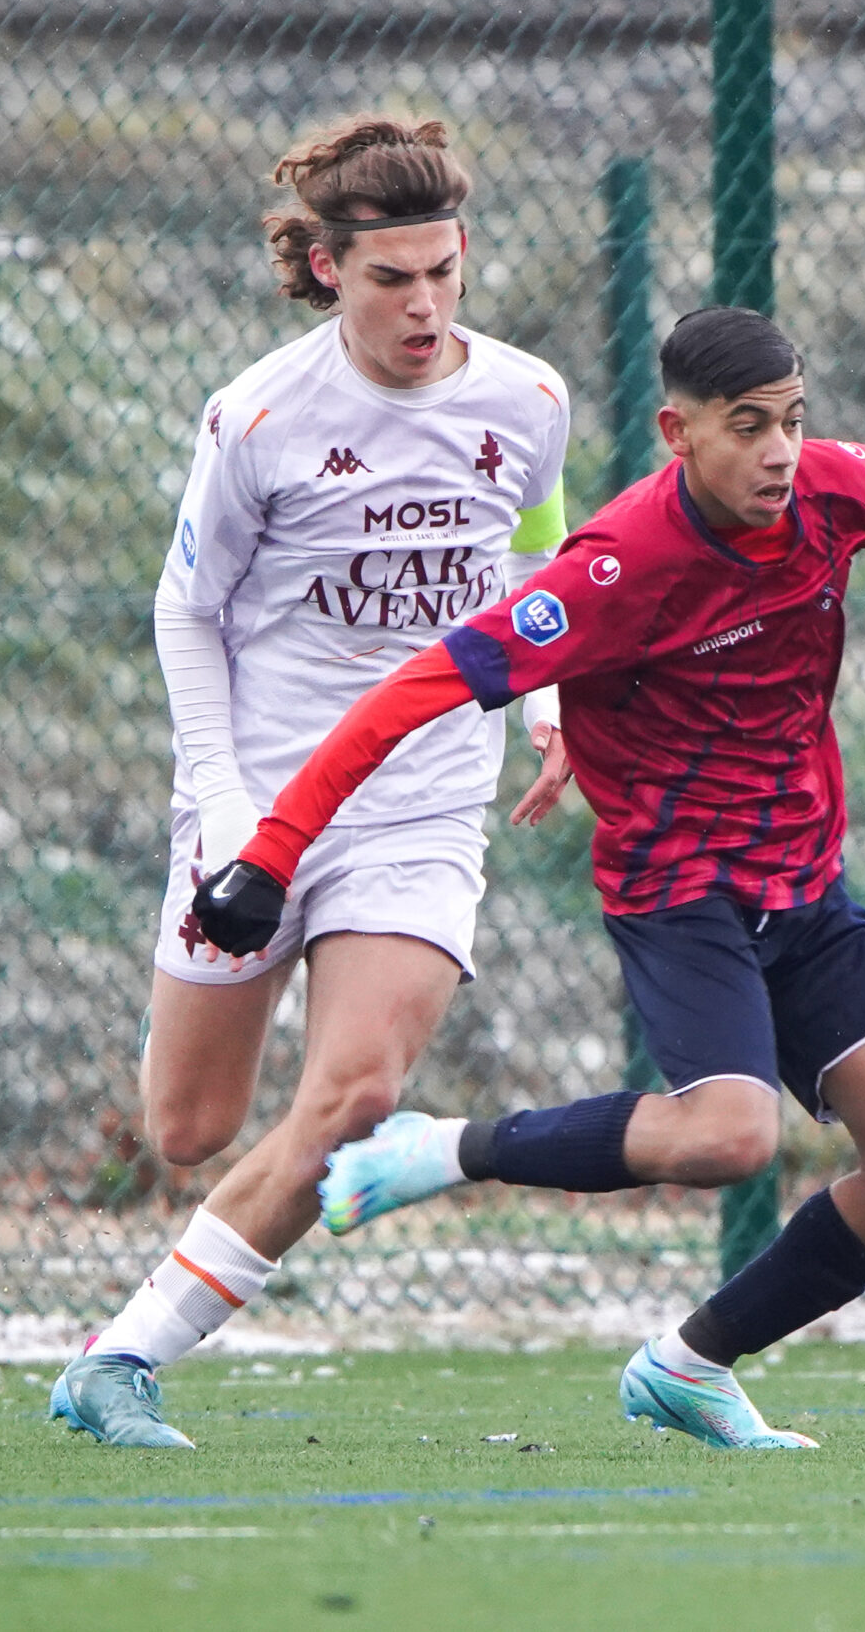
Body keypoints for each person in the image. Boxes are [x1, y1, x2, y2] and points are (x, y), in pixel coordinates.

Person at [190, 306, 865, 1449]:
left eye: (793, 421)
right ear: (678, 433)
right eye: (749, 427)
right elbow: (410, 693)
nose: (781, 452)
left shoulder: (836, 490)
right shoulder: (615, 567)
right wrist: (271, 852)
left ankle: (689, 1366)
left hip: (805, 885)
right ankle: (448, 1148)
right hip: (679, 891)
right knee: (729, 1138)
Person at [50, 115, 578, 1448]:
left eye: (444, 272)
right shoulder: (260, 416)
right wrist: (230, 810)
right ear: (328, 267)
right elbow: (185, 613)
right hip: (263, 795)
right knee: (188, 1126)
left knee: (354, 1099)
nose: (425, 306)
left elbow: (537, 545)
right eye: (392, 278)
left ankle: (123, 1357)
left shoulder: (528, 399)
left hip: (420, 798)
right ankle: (196, 1009)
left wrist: (550, 698)